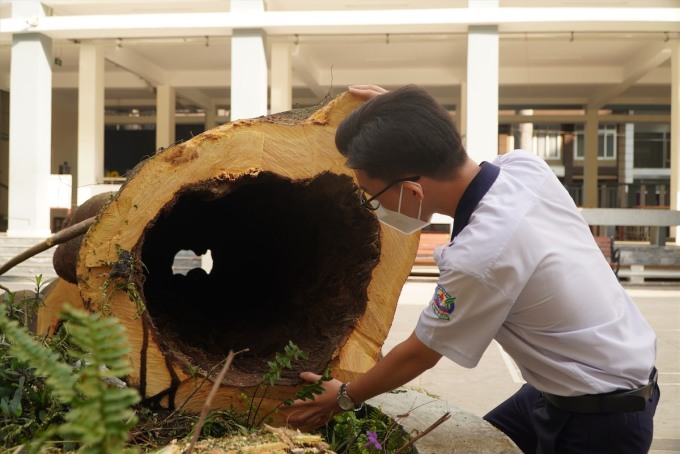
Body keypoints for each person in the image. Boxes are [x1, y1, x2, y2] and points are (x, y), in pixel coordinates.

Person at [287, 84, 659, 453]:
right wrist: (402, 121)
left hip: (601, 415)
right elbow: (446, 159)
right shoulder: (524, 167)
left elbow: (421, 353)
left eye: (371, 195)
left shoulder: (481, 256)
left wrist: (345, 397)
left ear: (412, 191)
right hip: (563, 385)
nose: (372, 206)